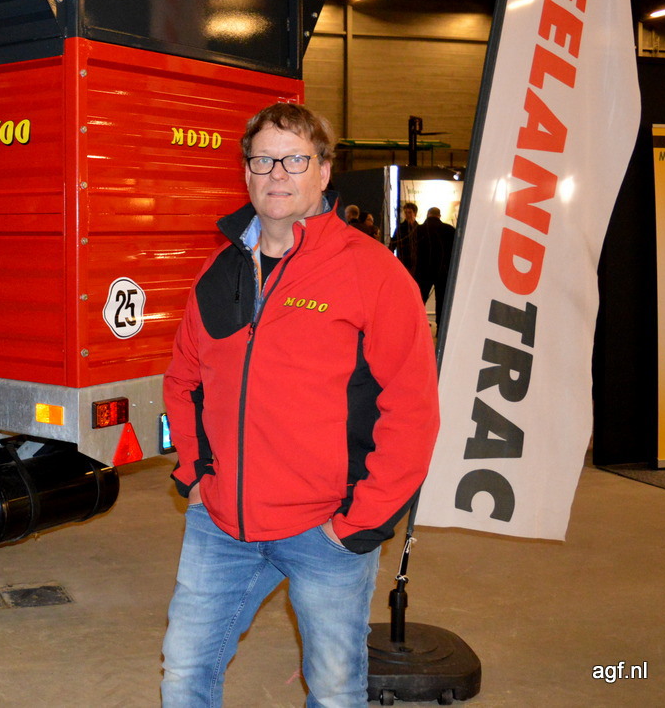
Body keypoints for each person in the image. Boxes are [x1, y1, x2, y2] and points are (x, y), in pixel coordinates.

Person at [159, 102, 440, 707]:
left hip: (324, 529)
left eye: (294, 160)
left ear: (324, 171)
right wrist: (195, 475)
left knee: (334, 691)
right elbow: (183, 380)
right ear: (246, 172)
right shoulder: (219, 272)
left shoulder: (372, 273)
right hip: (222, 524)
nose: (277, 174)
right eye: (263, 160)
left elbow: (412, 410)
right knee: (184, 675)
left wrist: (360, 522)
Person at [414, 206, 457, 305]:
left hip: (423, 269)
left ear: (428, 215)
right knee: (442, 302)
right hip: (443, 270)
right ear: (439, 216)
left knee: (420, 299)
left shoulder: (419, 229)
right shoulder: (449, 230)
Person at [389, 202, 418, 274]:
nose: (407, 215)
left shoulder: (418, 228)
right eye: (406, 212)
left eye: (409, 212)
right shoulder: (400, 228)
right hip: (403, 260)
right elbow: (393, 244)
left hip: (416, 261)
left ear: (415, 214)